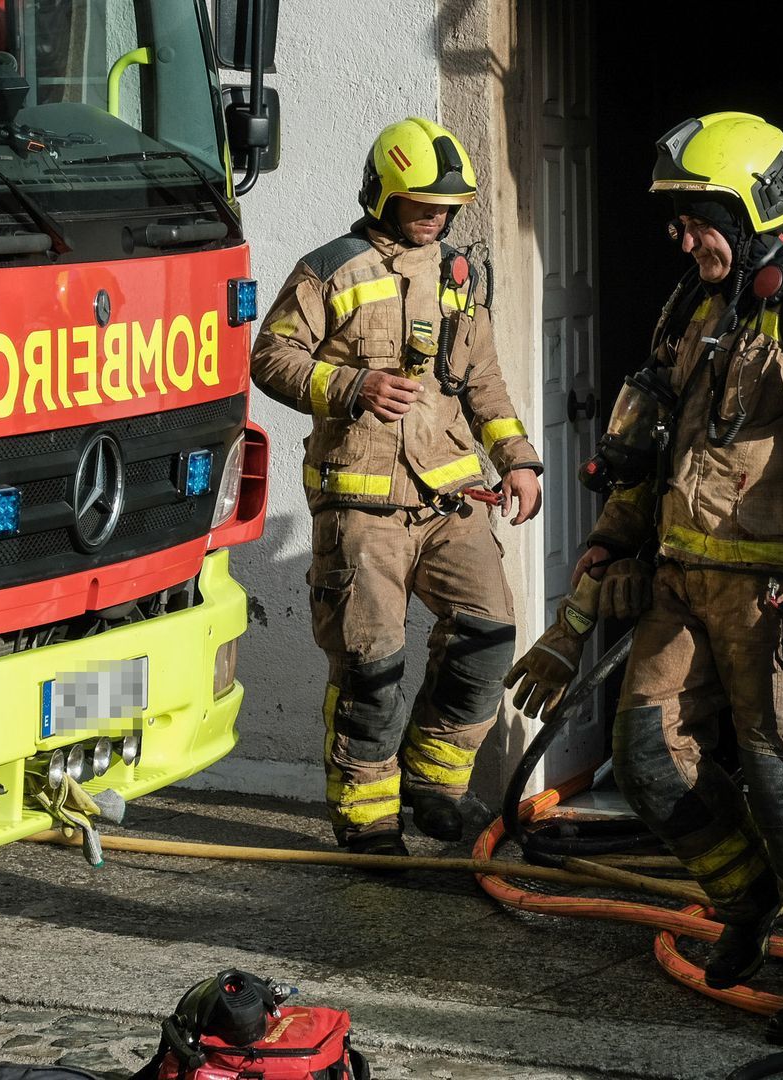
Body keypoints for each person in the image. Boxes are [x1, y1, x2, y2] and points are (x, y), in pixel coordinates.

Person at [511, 112, 783, 1045]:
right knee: (643, 756)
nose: (682, 237)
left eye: (698, 215)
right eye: (678, 218)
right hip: (685, 582)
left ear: (755, 205)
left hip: (779, 597)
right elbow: (648, 449)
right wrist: (607, 544)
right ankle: (749, 896)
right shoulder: (693, 306)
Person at [251, 117, 542, 859]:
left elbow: (482, 378)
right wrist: (352, 385)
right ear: (382, 194)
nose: (436, 218)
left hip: (448, 499)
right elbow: (271, 358)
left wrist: (516, 459)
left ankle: (435, 782)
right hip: (362, 505)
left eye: (447, 207)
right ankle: (368, 820)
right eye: (421, 204)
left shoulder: (460, 275)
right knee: (370, 668)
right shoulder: (332, 270)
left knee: (488, 633)